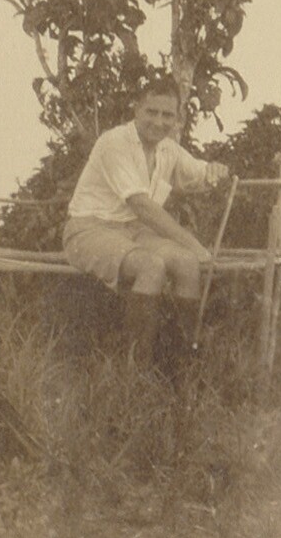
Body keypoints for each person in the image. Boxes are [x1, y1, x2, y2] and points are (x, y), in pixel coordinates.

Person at [62, 77, 229, 368]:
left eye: (168, 115)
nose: (159, 122)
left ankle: (181, 371)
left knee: (187, 263)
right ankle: (136, 376)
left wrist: (215, 170)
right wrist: (193, 243)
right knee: (151, 265)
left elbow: (200, 174)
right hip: (89, 229)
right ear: (136, 109)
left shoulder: (168, 149)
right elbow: (142, 206)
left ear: (178, 118)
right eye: (151, 112)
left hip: (134, 232)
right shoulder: (115, 142)